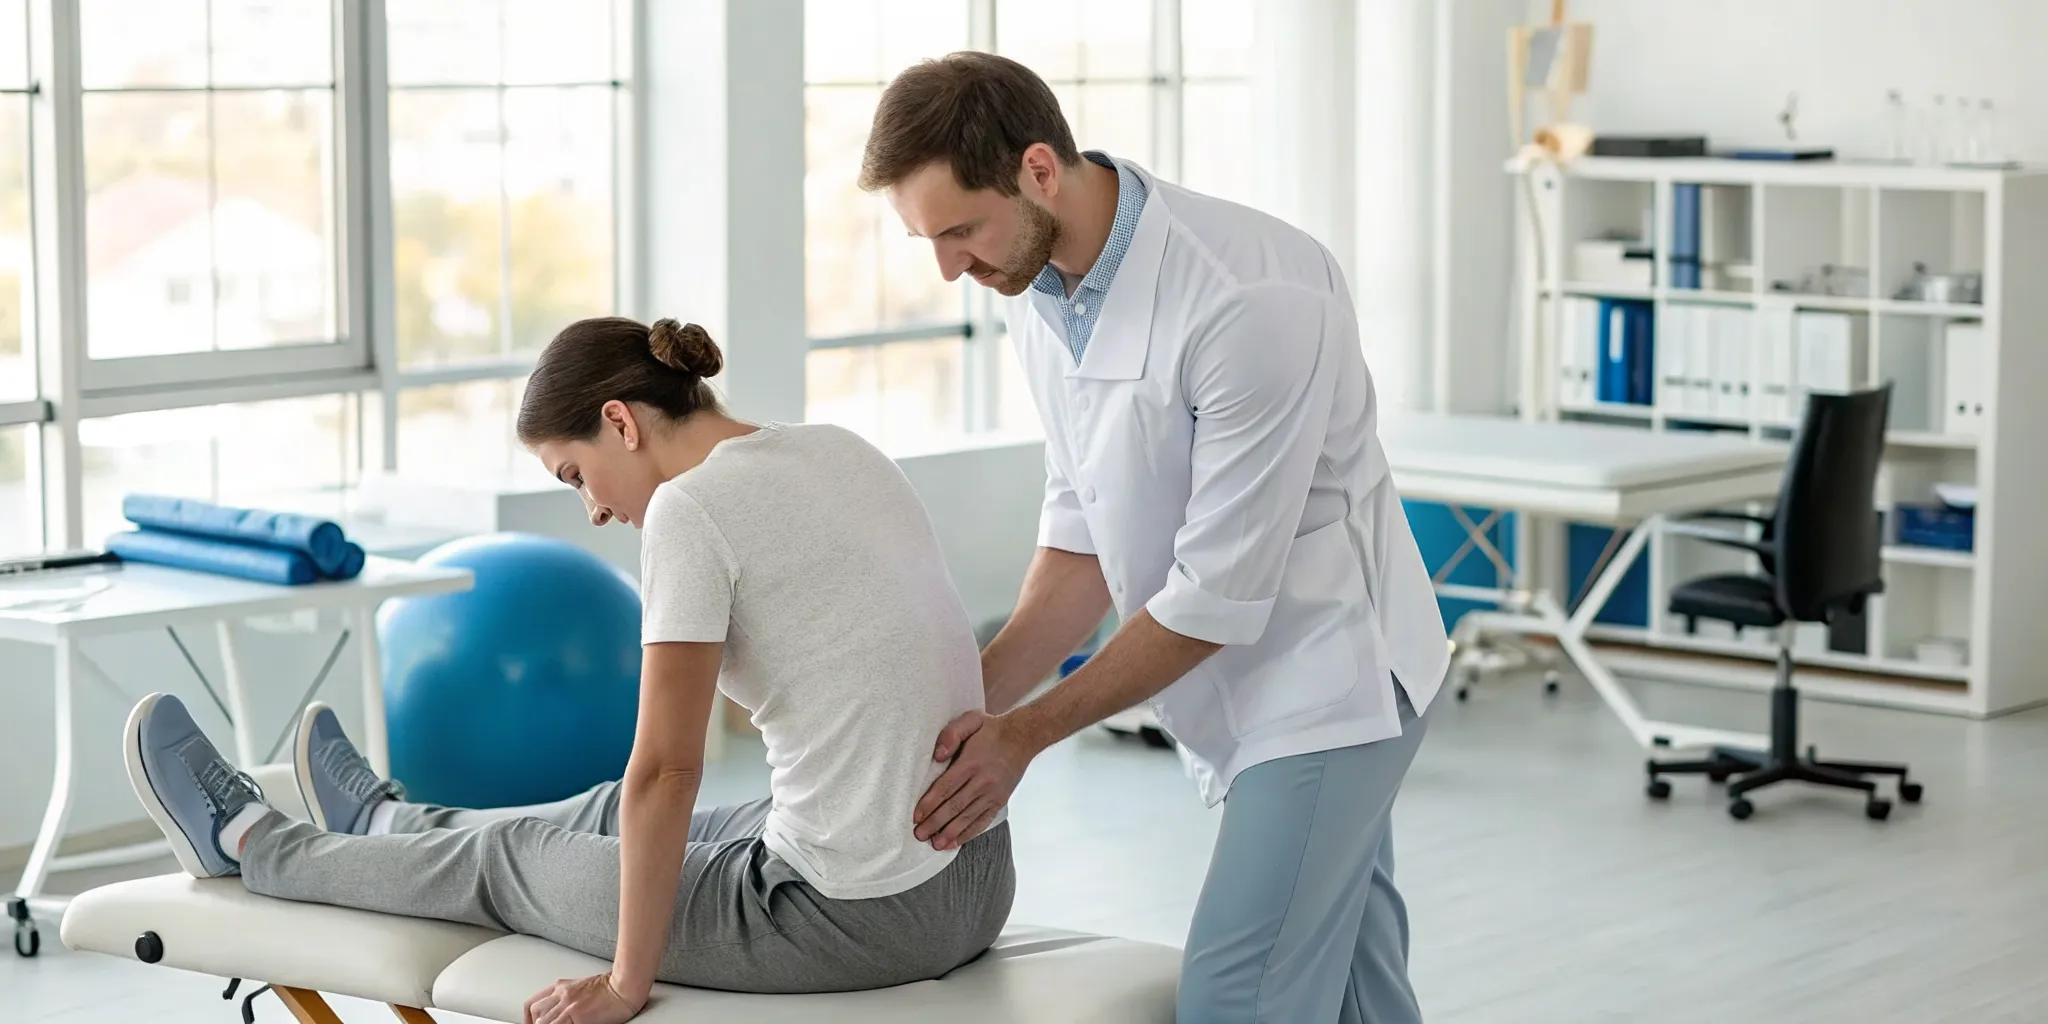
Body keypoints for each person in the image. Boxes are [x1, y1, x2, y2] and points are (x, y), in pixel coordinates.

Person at [119, 316, 1015, 1024]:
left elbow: (667, 767)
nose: (590, 509)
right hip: (973, 877)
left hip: (854, 915)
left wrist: (626, 982)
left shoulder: (693, 511)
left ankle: (247, 843)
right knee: (597, 813)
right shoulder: (835, 446)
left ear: (620, 422)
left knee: (512, 859)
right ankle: (391, 823)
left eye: (575, 474)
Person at [858, 52, 1452, 1023]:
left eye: (959, 229)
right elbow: (1080, 526)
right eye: (927, 240)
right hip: (1237, 674)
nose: (949, 268)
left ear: (1038, 169)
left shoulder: (1251, 298)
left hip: (1330, 676)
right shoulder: (1035, 283)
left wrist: (1022, 736)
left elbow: (1213, 595)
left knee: (1237, 994)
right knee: (1354, 988)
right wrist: (964, 703)